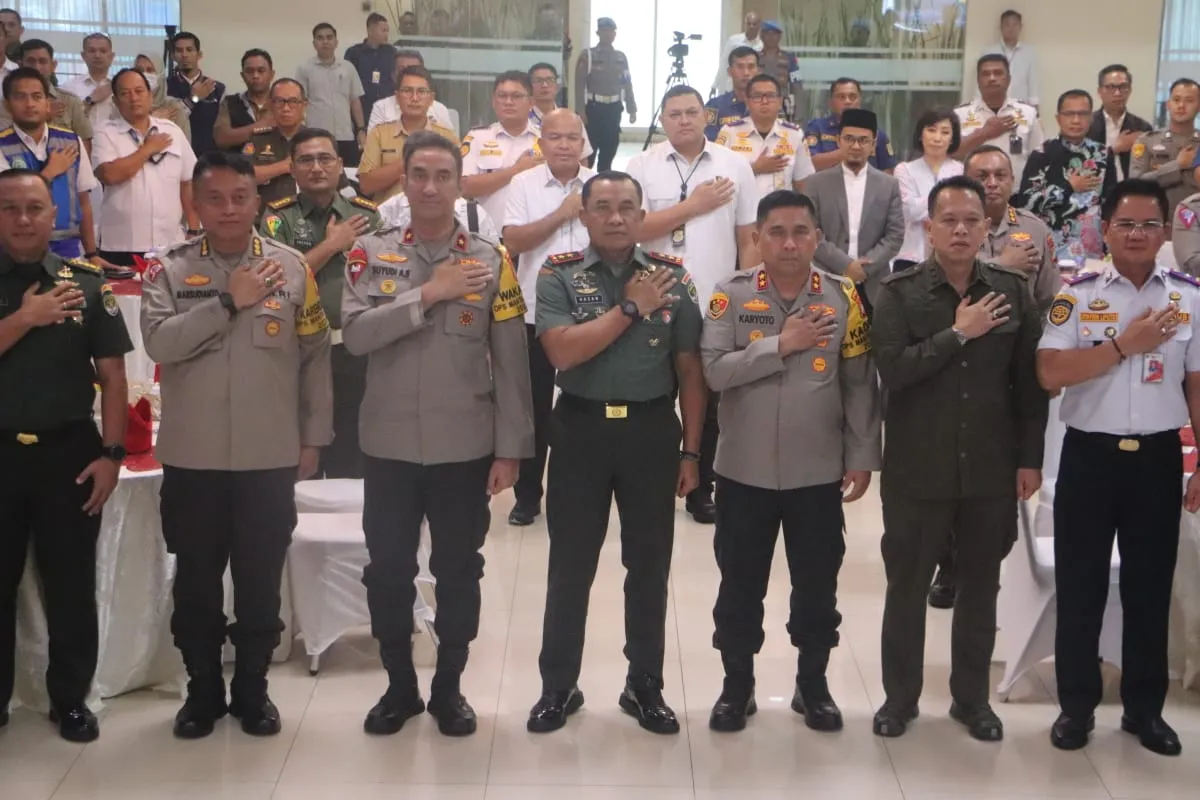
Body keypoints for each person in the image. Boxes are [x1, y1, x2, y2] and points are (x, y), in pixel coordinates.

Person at [341, 130, 533, 738]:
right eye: (418, 174)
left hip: (464, 447)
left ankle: (449, 688)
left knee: (459, 570)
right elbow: (355, 336)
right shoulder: (370, 254)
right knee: (389, 570)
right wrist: (429, 293)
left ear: (458, 183)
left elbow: (509, 359)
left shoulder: (490, 258)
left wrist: (512, 448)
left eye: (442, 176)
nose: (429, 186)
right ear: (403, 181)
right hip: (390, 446)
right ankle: (399, 687)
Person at [141, 150, 332, 739]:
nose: (228, 209)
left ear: (258, 201)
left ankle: (252, 690)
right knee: (196, 581)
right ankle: (202, 691)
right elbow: (159, 346)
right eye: (215, 199)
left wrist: (314, 439)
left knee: (259, 582)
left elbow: (314, 359)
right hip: (193, 458)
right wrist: (228, 301)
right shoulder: (167, 271)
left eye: (240, 197)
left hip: (268, 457)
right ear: (196, 204)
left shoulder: (293, 267)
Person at [526, 170, 704, 735]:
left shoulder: (673, 278)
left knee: (648, 566)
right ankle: (558, 686)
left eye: (628, 206)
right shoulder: (559, 276)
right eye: (602, 207)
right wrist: (629, 309)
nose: (616, 217)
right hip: (580, 430)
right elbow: (561, 353)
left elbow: (690, 372)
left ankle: (643, 685)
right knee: (569, 566)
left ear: (641, 213)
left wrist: (692, 453)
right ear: (583, 216)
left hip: (651, 432)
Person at [871, 175, 1047, 741]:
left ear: (988, 228)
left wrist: (1030, 460)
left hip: (991, 468)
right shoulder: (898, 294)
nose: (962, 230)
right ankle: (899, 700)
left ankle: (971, 700)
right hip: (916, 467)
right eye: (949, 220)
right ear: (929, 228)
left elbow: (1029, 386)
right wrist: (958, 333)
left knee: (979, 589)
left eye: (972, 220)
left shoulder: (1013, 290)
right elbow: (894, 371)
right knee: (907, 588)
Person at [701, 190, 880, 733]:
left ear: (817, 239)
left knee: (817, 585)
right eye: (776, 232)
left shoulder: (843, 297)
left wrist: (862, 456)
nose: (789, 243)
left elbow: (858, 383)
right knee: (739, 585)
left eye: (801, 232)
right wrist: (780, 343)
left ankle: (814, 684)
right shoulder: (729, 296)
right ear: (757, 238)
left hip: (818, 472)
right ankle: (737, 686)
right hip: (743, 471)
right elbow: (714, 371)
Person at [1037, 179, 1198, 757]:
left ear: (1165, 232)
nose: (1137, 234)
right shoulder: (1077, 294)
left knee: (1150, 590)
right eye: (1126, 224)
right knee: (1078, 589)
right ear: (1104, 230)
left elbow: (1196, 386)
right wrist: (1123, 345)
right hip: (1089, 459)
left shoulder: (1187, 296)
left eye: (1149, 225)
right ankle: (1076, 709)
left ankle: (1144, 710)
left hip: (1157, 461)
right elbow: (1051, 373)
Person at [0, 169, 131, 743]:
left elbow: (115, 378)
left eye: (34, 208)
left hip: (70, 455)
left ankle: (70, 700)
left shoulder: (87, 283)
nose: (23, 220)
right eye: (10, 209)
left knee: (71, 585)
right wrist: (26, 318)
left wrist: (112, 454)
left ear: (55, 216)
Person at [626, 85, 759, 524]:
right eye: (674, 113)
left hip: (716, 299)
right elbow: (634, 230)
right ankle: (657, 479)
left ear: (707, 117)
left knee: (711, 397)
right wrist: (693, 206)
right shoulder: (642, 166)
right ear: (662, 120)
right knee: (658, 394)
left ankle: (702, 485)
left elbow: (748, 238)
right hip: (656, 297)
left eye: (691, 112)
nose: (683, 119)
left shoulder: (735, 165)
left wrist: (750, 294)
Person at [260, 128, 379, 480]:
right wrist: (331, 246)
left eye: (325, 158)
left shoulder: (367, 217)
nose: (316, 167)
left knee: (352, 462)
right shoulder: (277, 219)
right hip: (298, 353)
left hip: (355, 352)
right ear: (292, 169)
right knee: (299, 464)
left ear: (341, 165)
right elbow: (274, 282)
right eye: (306, 160)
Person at [502, 108, 595, 526]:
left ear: (582, 144)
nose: (562, 145)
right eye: (554, 137)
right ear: (541, 144)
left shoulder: (601, 184)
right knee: (534, 409)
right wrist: (563, 212)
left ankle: (579, 496)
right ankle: (527, 495)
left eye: (571, 138)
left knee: (586, 408)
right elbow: (514, 240)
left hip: (594, 314)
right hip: (535, 312)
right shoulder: (522, 183)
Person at [93, 68, 199, 266]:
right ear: (116, 101)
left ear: (150, 95)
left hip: (170, 243)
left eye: (139, 91)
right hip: (122, 245)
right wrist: (147, 149)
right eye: (125, 93)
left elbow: (187, 183)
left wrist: (193, 229)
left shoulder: (172, 131)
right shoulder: (105, 133)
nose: (133, 98)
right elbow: (109, 174)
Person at [804, 108, 905, 307]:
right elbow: (810, 234)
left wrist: (863, 268)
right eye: (849, 139)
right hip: (827, 281)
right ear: (838, 140)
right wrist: (846, 265)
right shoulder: (816, 183)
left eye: (863, 140)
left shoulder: (889, 184)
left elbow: (895, 236)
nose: (856, 146)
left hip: (873, 284)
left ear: (874, 144)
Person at [0, 68, 101, 264]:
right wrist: (50, 172)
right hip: (14, 253)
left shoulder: (71, 141)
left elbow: (84, 203)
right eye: (20, 97)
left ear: (48, 104)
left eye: (36, 96)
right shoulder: (2, 145)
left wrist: (92, 254)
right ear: (7, 106)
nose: (29, 104)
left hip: (67, 249)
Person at [1017, 90, 1115, 264]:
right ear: (1058, 118)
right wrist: (1068, 187)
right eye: (1069, 114)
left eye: (1082, 114)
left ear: (1091, 118)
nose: (1076, 120)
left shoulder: (1103, 154)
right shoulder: (1042, 154)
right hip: (1049, 246)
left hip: (1091, 248)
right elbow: (1026, 202)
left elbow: (1111, 203)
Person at [966, 145, 1059, 314]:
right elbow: (947, 285)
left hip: (1023, 334)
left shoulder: (1035, 228)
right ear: (966, 182)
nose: (992, 183)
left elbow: (1049, 300)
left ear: (1012, 180)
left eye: (1000, 176)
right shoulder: (952, 228)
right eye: (982, 176)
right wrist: (1003, 264)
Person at [358, 65, 458, 203]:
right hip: (389, 220)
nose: (414, 98)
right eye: (407, 91)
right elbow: (366, 185)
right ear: (397, 97)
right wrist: (408, 162)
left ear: (431, 98)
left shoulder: (447, 138)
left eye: (421, 91)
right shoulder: (379, 134)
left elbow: (459, 186)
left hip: (433, 216)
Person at [461, 71, 542, 229]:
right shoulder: (477, 137)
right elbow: (463, 187)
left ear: (531, 102)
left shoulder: (545, 139)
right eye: (502, 96)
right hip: (486, 236)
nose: (508, 102)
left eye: (516, 96)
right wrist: (516, 170)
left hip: (533, 236)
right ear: (493, 101)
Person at [715, 74, 813, 203]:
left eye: (771, 96)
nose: (764, 101)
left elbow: (803, 183)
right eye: (757, 96)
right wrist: (755, 168)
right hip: (740, 214)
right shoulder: (730, 132)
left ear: (779, 101)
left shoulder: (794, 134)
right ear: (747, 101)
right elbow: (716, 178)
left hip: (780, 215)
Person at [953, 54, 1043, 185]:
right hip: (973, 194)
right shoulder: (960, 114)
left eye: (998, 73)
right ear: (978, 81)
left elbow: (1040, 157)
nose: (992, 78)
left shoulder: (1028, 113)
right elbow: (952, 154)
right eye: (985, 74)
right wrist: (984, 133)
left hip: (1017, 194)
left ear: (1008, 79)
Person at [894, 108, 964, 269]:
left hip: (950, 254)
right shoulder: (904, 170)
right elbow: (910, 211)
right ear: (920, 134)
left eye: (945, 132)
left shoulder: (961, 170)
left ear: (953, 139)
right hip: (910, 255)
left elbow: (960, 211)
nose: (937, 138)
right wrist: (946, 202)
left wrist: (922, 203)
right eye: (931, 130)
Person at [296, 23, 366, 167]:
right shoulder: (305, 69)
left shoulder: (348, 68)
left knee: (348, 176)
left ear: (336, 42)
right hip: (316, 136)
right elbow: (299, 103)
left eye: (329, 37)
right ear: (314, 43)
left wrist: (361, 129)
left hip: (345, 135)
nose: (325, 41)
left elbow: (355, 100)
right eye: (320, 38)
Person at [1130, 78, 1200, 218]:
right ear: (1168, 104)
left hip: (1195, 223)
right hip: (1156, 220)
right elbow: (1134, 184)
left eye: (1189, 100)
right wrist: (1177, 165)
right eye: (1176, 99)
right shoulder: (1147, 141)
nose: (1181, 105)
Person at [574, 18, 635, 172]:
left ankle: (604, 177)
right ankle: (585, 178)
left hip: (614, 108)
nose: (608, 34)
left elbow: (627, 82)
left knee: (610, 145)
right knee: (590, 147)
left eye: (611, 31)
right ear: (598, 33)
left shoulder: (621, 57)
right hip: (594, 108)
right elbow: (579, 84)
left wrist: (631, 107)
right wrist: (580, 111)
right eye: (604, 31)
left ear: (615, 34)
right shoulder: (588, 55)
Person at [243, 78, 309, 212]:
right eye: (280, 101)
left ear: (304, 105)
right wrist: (285, 166)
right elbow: (244, 177)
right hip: (266, 217)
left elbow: (336, 182)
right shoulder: (258, 139)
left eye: (293, 102)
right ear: (270, 105)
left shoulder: (316, 140)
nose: (286, 108)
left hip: (308, 217)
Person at [805, 78, 896, 173]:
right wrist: (849, 151)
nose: (847, 101)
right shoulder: (817, 127)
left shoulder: (876, 134)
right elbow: (810, 164)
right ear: (830, 103)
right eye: (841, 97)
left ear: (860, 101)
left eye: (852, 97)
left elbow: (888, 172)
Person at [1088, 64, 1152, 186]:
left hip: (1129, 192)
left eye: (1123, 87)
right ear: (1100, 91)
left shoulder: (1142, 127)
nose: (1117, 93)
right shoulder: (1086, 125)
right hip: (1094, 192)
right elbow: (1079, 162)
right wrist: (1114, 149)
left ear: (1130, 90)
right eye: (1111, 87)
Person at [17, 40, 92, 144]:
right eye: (31, 61)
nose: (37, 67)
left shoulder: (70, 101)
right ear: (20, 65)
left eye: (42, 61)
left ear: (53, 65)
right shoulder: (9, 101)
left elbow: (85, 142)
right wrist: (43, 117)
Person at [366, 50, 454, 134]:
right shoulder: (381, 108)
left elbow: (451, 146)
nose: (408, 76)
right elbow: (372, 144)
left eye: (414, 70)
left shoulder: (439, 110)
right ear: (393, 75)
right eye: (402, 70)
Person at [165, 32, 224, 157]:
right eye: (179, 51)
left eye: (189, 50)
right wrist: (194, 98)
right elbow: (167, 120)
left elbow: (221, 130)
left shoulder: (217, 88)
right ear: (172, 56)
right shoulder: (165, 87)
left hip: (209, 159)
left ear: (199, 54)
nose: (184, 55)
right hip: (174, 154)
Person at [528, 62, 593, 163]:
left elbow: (583, 159)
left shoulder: (572, 119)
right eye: (538, 81)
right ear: (529, 87)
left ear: (557, 87)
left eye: (549, 80)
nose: (545, 85)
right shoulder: (522, 120)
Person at [214, 49, 275, 152]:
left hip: (277, 165)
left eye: (261, 71)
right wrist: (261, 126)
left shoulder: (283, 102)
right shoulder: (229, 103)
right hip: (238, 165)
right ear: (242, 76)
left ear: (271, 74)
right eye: (250, 71)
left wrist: (240, 134)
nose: (255, 76)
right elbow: (221, 139)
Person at [344, 12, 397, 125]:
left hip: (387, 109)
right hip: (362, 109)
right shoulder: (354, 53)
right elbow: (348, 83)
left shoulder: (392, 52)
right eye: (383, 30)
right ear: (370, 30)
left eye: (387, 31)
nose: (386, 34)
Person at [981, 9, 1039, 109]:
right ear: (1001, 27)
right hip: (992, 105)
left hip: (1021, 106)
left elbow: (1033, 82)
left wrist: (1035, 107)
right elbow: (981, 80)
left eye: (1015, 25)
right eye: (1007, 25)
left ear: (1020, 27)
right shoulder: (989, 51)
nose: (1011, 29)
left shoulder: (1029, 52)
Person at [704, 46, 759, 141]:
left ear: (758, 71)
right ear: (730, 72)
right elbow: (709, 142)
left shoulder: (768, 104)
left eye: (751, 67)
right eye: (740, 67)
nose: (746, 73)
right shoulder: (714, 106)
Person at [61, 33, 115, 131]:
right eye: (92, 51)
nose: (97, 55)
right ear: (83, 56)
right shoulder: (68, 88)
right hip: (80, 143)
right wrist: (89, 100)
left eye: (103, 51)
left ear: (111, 56)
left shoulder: (121, 86)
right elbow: (64, 121)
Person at [758, 20, 802, 121]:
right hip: (759, 103)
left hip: (782, 105)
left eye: (775, 34)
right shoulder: (755, 57)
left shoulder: (789, 58)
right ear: (762, 36)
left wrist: (798, 115)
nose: (771, 37)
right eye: (768, 34)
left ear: (780, 36)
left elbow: (797, 85)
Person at [711, 12, 762, 96]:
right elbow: (724, 63)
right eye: (749, 24)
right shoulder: (733, 41)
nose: (751, 26)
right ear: (745, 25)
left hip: (752, 91)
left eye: (754, 24)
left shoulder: (762, 45)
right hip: (732, 88)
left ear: (759, 25)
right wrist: (715, 85)